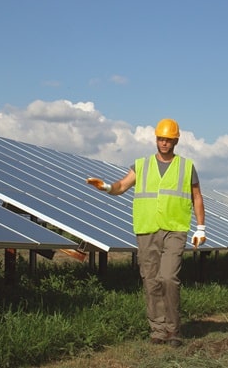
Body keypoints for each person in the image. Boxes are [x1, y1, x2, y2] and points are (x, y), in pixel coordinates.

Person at [86, 118, 206, 347]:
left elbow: (197, 197)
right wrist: (106, 187)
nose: (164, 143)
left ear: (176, 140)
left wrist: (201, 227)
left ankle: (173, 330)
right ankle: (158, 330)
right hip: (146, 228)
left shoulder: (186, 166)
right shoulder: (141, 164)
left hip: (175, 228)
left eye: (168, 140)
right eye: (161, 139)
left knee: (169, 277)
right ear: (156, 139)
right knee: (151, 280)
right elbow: (122, 186)